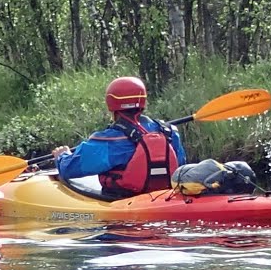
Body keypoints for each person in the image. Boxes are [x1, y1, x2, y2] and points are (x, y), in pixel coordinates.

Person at [51, 76, 187, 196]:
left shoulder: (108, 141)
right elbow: (180, 166)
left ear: (111, 104)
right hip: (166, 198)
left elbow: (69, 169)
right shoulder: (169, 132)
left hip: (125, 199)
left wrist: (62, 156)